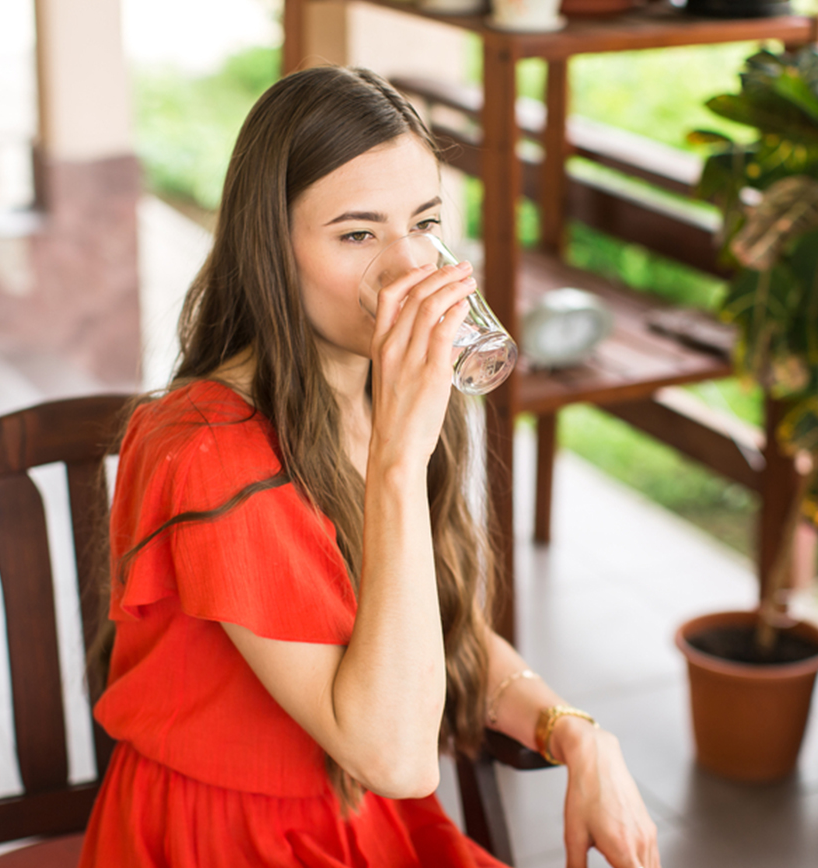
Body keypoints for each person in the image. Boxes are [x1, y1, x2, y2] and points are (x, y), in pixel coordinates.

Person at [79, 65, 660, 868]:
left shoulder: (378, 393)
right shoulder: (206, 449)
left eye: (423, 222)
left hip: (353, 820)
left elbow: (433, 632)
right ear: (271, 252)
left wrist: (576, 734)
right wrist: (397, 462)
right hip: (222, 839)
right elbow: (394, 759)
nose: (409, 270)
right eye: (357, 235)